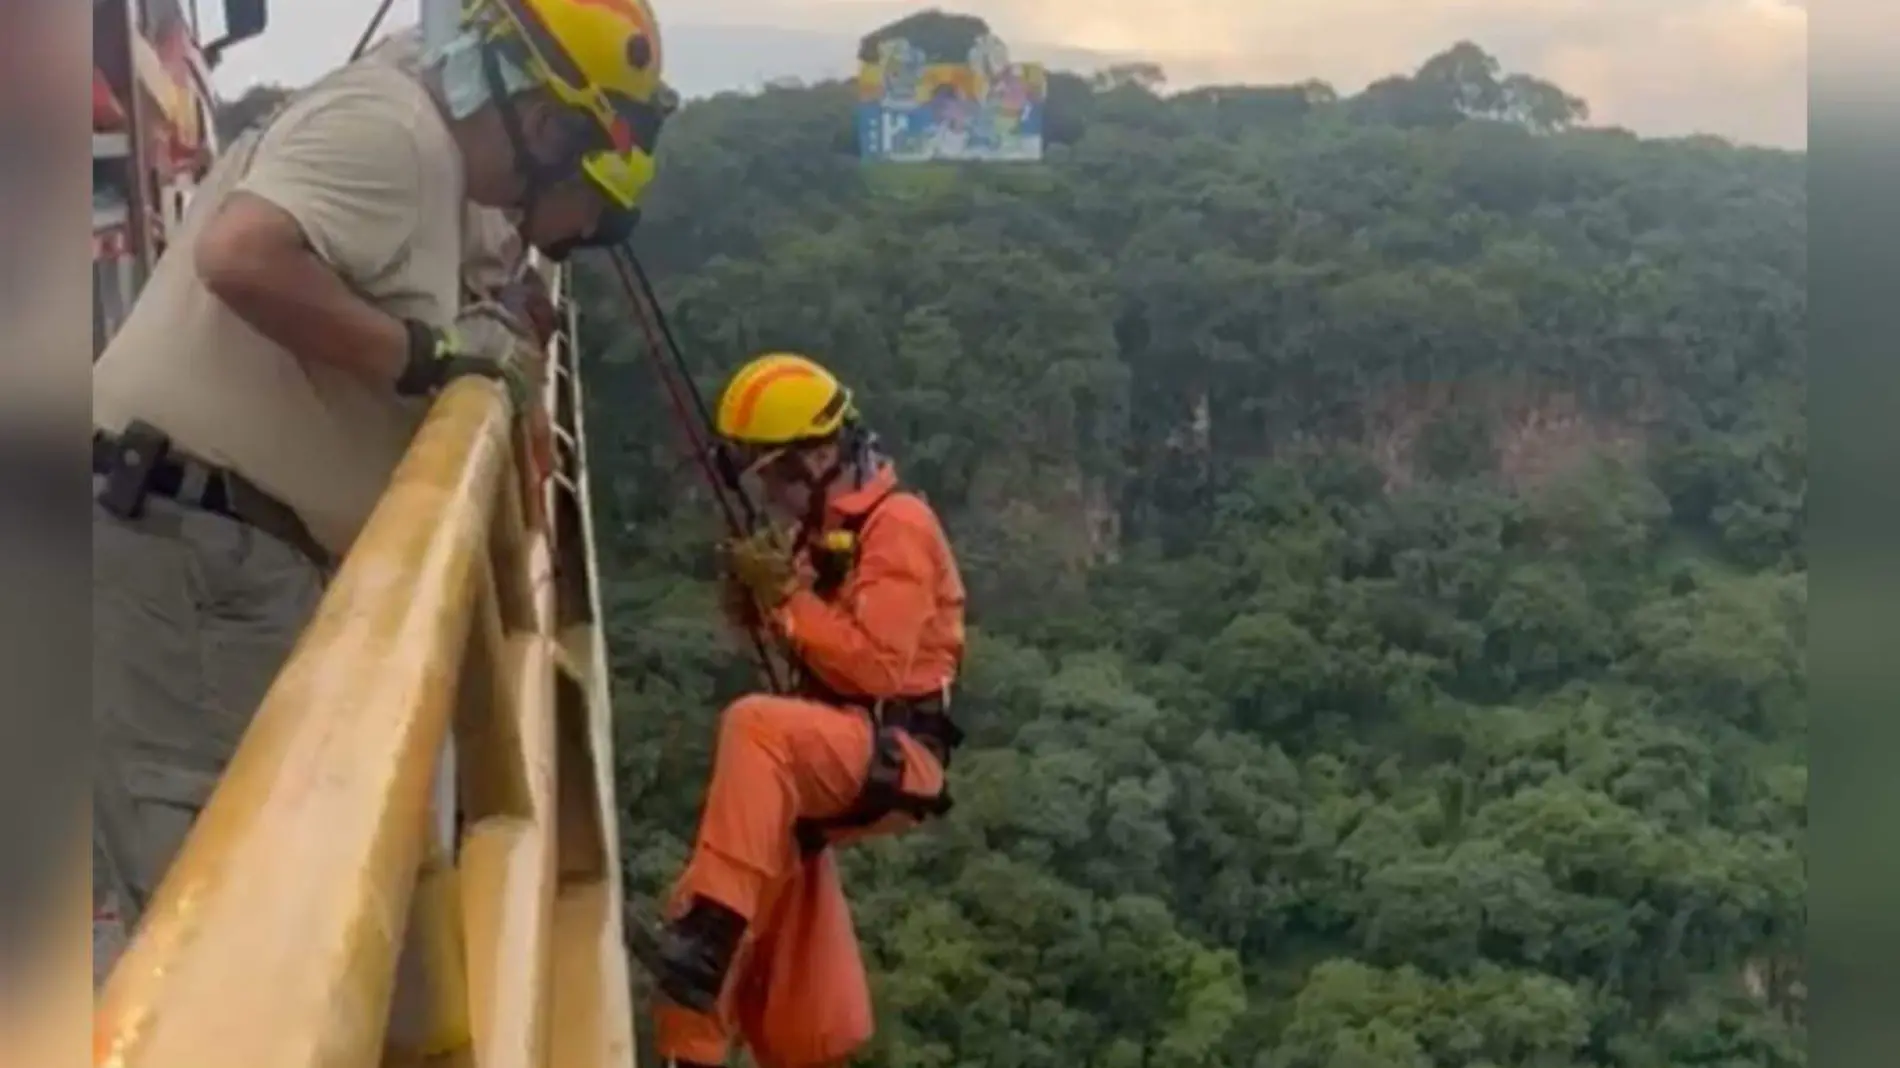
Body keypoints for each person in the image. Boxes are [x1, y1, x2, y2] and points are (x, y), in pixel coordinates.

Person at [89, 0, 672, 951]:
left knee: (264, 902)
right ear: (539, 120)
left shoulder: (425, 156)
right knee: (227, 934)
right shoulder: (397, 133)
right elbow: (239, 255)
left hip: (218, 548)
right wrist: (421, 358)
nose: (523, 217)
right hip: (189, 549)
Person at [633, 352, 969, 1068]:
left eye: (783, 473)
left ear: (824, 454)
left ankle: (710, 949)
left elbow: (875, 663)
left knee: (756, 729)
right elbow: (795, 636)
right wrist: (755, 597)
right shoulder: (820, 536)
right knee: (708, 904)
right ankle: (691, 1050)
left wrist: (786, 598)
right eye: (768, 478)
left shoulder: (897, 526)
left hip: (894, 749)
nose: (779, 493)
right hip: (835, 740)